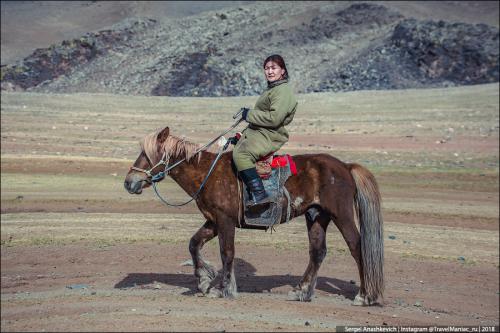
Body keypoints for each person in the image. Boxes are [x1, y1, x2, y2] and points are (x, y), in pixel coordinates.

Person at [231, 54, 298, 207]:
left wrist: (249, 114)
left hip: (271, 134)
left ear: (282, 70)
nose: (270, 71)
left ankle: (260, 195)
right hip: (261, 132)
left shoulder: (282, 91)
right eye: (267, 68)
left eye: (274, 68)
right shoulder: (272, 89)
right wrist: (241, 136)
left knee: (241, 154)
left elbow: (274, 118)